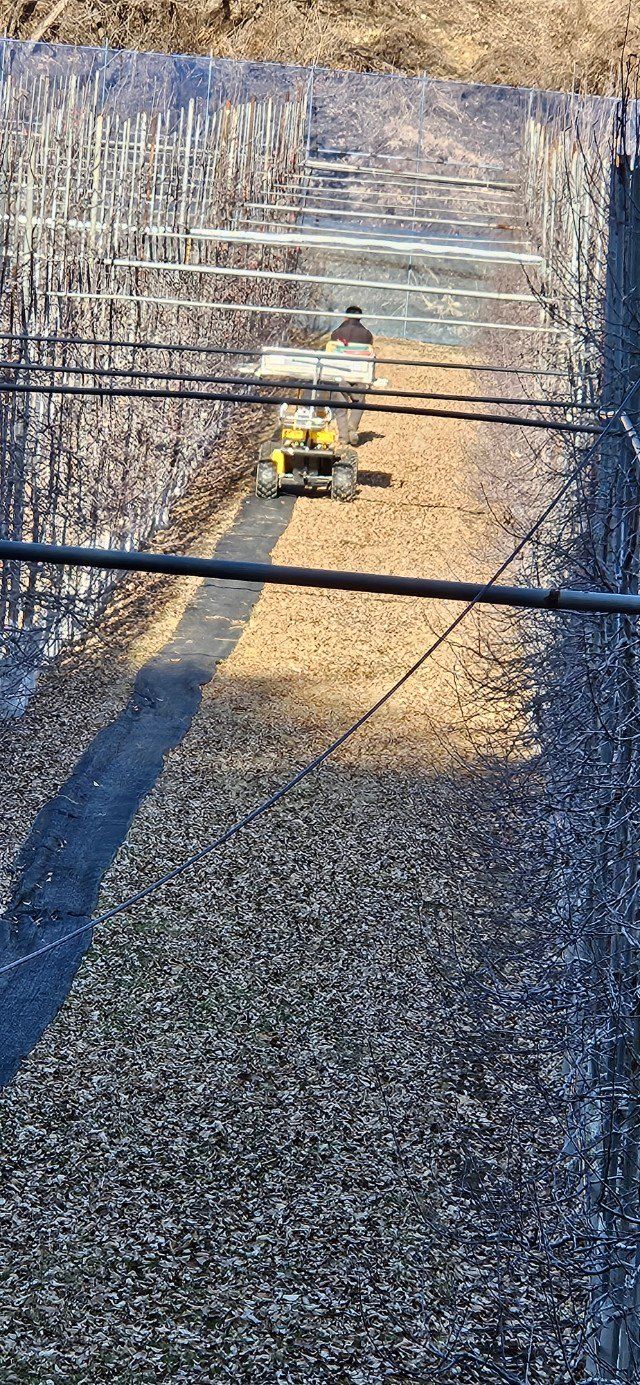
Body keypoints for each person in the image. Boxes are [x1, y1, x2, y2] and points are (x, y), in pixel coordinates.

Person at [326, 305, 374, 445]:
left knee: (340, 406)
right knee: (359, 401)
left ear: (345, 317)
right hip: (359, 374)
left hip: (341, 374)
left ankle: (343, 437)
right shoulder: (367, 335)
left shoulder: (336, 333)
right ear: (360, 317)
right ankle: (352, 428)